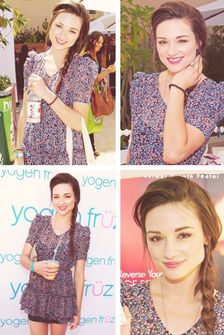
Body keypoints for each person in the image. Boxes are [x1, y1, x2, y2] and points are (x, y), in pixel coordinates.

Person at [121, 176, 224, 335]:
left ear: (206, 235)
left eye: (183, 235)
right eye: (156, 238)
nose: (169, 252)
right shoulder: (124, 303)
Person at [127, 1, 224, 165]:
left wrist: (177, 86)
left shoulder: (212, 94)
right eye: (163, 42)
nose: (171, 51)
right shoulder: (143, 84)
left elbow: (173, 154)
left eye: (182, 41)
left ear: (198, 42)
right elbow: (133, 147)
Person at [16, 1, 98, 165]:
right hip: (31, 154)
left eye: (72, 31)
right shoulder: (33, 61)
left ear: (78, 36)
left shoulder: (81, 68)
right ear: (51, 24)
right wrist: (18, 153)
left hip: (65, 157)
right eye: (59, 26)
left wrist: (47, 94)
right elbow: (25, 112)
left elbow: (79, 123)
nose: (62, 35)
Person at [20, 173, 90, 335]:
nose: (61, 202)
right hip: (37, 294)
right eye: (56, 197)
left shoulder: (81, 233)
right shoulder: (40, 222)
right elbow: (23, 258)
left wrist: (78, 309)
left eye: (67, 196)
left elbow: (79, 274)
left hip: (63, 298)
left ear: (76, 198)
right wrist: (34, 266)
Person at [83, 31, 115, 157]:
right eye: (99, 42)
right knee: (88, 121)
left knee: (91, 121)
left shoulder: (94, 56)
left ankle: (91, 147)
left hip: (92, 93)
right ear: (92, 41)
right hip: (86, 95)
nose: (101, 45)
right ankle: (89, 148)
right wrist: (108, 71)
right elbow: (93, 79)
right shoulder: (87, 58)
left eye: (102, 42)